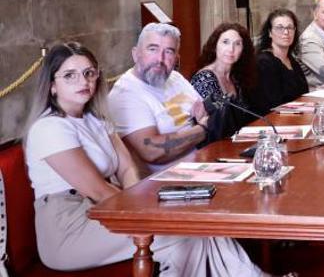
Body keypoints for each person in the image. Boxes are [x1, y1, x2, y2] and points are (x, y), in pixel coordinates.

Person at [24, 43, 268, 275]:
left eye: (89, 73)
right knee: (181, 234)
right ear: (52, 85)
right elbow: (96, 190)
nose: (83, 81)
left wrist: (143, 207)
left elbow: (127, 167)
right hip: (70, 227)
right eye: (69, 75)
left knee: (199, 221)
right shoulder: (50, 128)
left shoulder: (96, 120)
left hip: (105, 208)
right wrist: (145, 214)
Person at [108, 23, 212, 173]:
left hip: (204, 163)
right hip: (168, 184)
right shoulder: (125, 94)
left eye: (169, 52)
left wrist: (203, 123)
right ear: (135, 54)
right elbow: (152, 151)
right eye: (152, 49)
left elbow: (204, 112)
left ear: (177, 58)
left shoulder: (175, 78)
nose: (160, 59)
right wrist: (203, 129)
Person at [190, 23, 257, 136]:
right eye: (225, 42)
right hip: (212, 146)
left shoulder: (235, 77)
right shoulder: (205, 78)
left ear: (243, 49)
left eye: (237, 44)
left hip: (236, 140)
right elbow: (215, 125)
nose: (231, 49)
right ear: (215, 45)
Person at [252, 9, 309, 115]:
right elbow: (272, 105)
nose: (286, 32)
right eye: (279, 28)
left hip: (297, 116)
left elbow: (304, 93)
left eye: (290, 27)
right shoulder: (264, 62)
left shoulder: (292, 60)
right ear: (270, 32)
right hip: (274, 122)